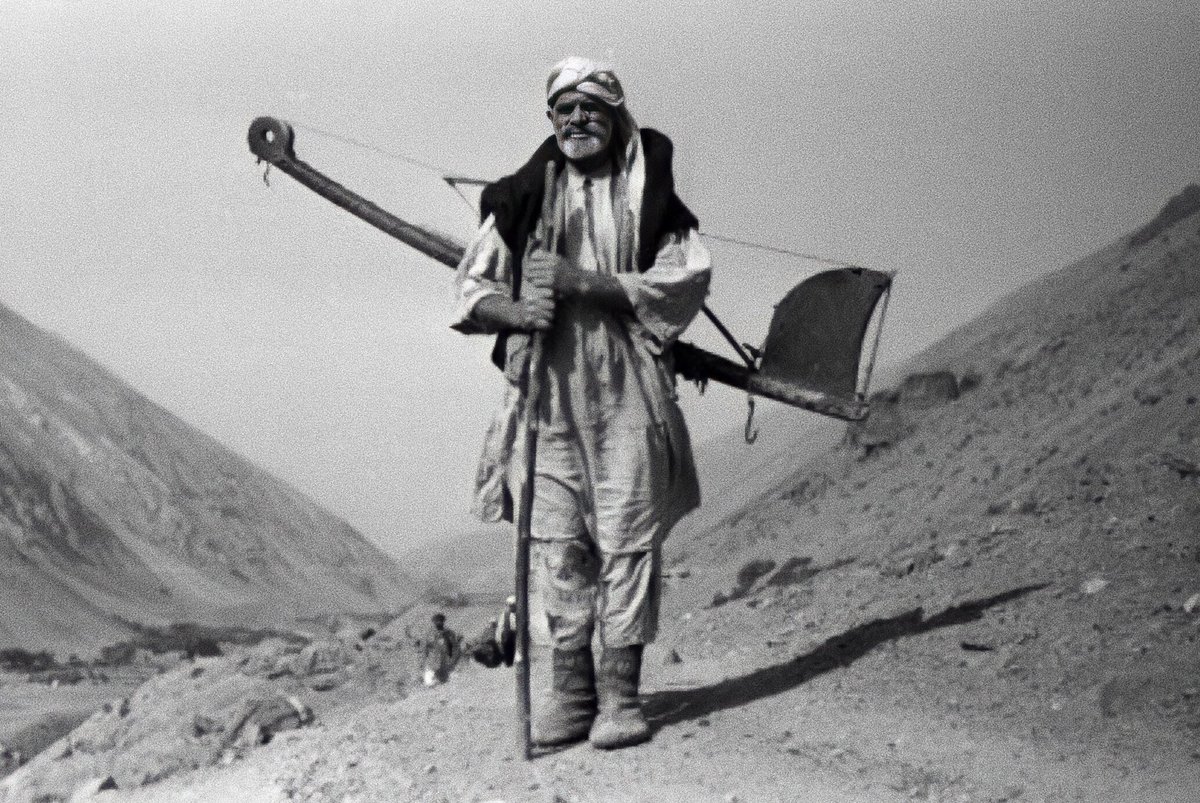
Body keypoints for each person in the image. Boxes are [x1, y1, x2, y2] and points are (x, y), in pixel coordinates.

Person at [451, 57, 711, 749]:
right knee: (555, 541)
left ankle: (621, 697)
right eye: (563, 109)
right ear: (550, 118)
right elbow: (471, 291)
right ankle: (572, 694)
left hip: (627, 388)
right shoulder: (524, 196)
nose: (576, 120)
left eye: (589, 108)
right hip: (546, 395)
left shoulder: (648, 187)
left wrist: (581, 282)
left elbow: (686, 279)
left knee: (626, 539)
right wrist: (517, 307)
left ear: (614, 113)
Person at [421, 612, 459, 686]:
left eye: (440, 621)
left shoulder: (449, 633)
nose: (438, 623)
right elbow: (424, 649)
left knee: (448, 683)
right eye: (436, 621)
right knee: (430, 685)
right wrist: (423, 662)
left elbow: (455, 648)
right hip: (432, 664)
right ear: (433, 622)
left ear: (443, 622)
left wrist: (453, 662)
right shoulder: (429, 635)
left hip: (446, 663)